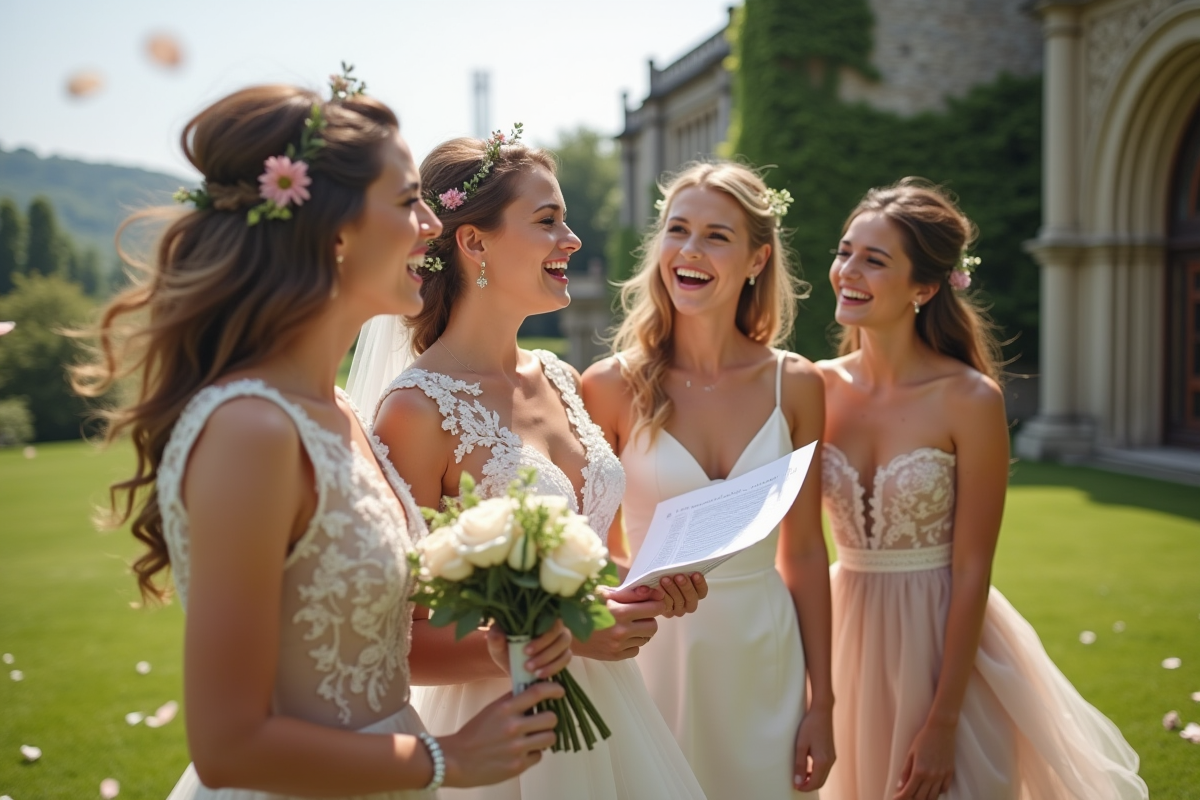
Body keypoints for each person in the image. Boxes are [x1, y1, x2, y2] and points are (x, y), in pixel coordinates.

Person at [72, 82, 568, 799]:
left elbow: (356, 633)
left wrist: (496, 643)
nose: (430, 226)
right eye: (406, 202)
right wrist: (447, 759)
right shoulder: (253, 429)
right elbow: (228, 746)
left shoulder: (335, 410)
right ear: (335, 233)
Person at [347, 131, 708, 800]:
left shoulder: (561, 378)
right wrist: (559, 636)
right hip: (498, 738)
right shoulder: (417, 412)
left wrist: (642, 587)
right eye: (548, 222)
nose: (571, 239)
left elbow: (584, 557)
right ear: (473, 243)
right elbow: (396, 641)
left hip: (614, 712)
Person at [817, 178, 1149, 799]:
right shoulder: (813, 387)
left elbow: (972, 569)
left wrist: (943, 720)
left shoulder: (970, 399)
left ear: (925, 285)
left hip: (944, 643)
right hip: (843, 636)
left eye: (874, 259)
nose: (848, 271)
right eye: (845, 251)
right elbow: (793, 545)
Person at [581, 161, 834, 797]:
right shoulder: (609, 386)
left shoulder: (796, 384)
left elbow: (804, 550)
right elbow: (591, 548)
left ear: (757, 259)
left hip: (763, 654)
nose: (690, 252)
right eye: (677, 230)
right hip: (652, 653)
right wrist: (627, 598)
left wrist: (823, 702)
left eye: (717, 236)